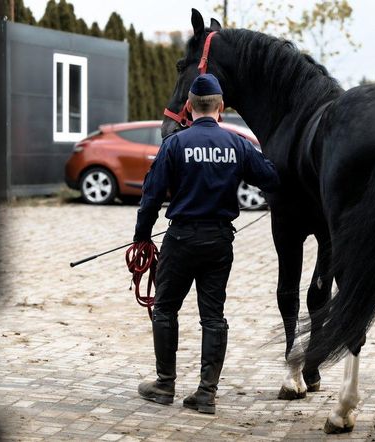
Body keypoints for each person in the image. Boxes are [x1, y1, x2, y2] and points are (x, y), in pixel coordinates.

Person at [132, 73, 279, 414]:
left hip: (180, 239)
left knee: (166, 308)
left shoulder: (175, 144)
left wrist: (141, 236)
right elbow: (271, 178)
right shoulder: (238, 144)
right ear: (221, 108)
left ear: (189, 107)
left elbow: (150, 197)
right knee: (213, 317)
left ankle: (164, 384)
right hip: (219, 242)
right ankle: (206, 394)